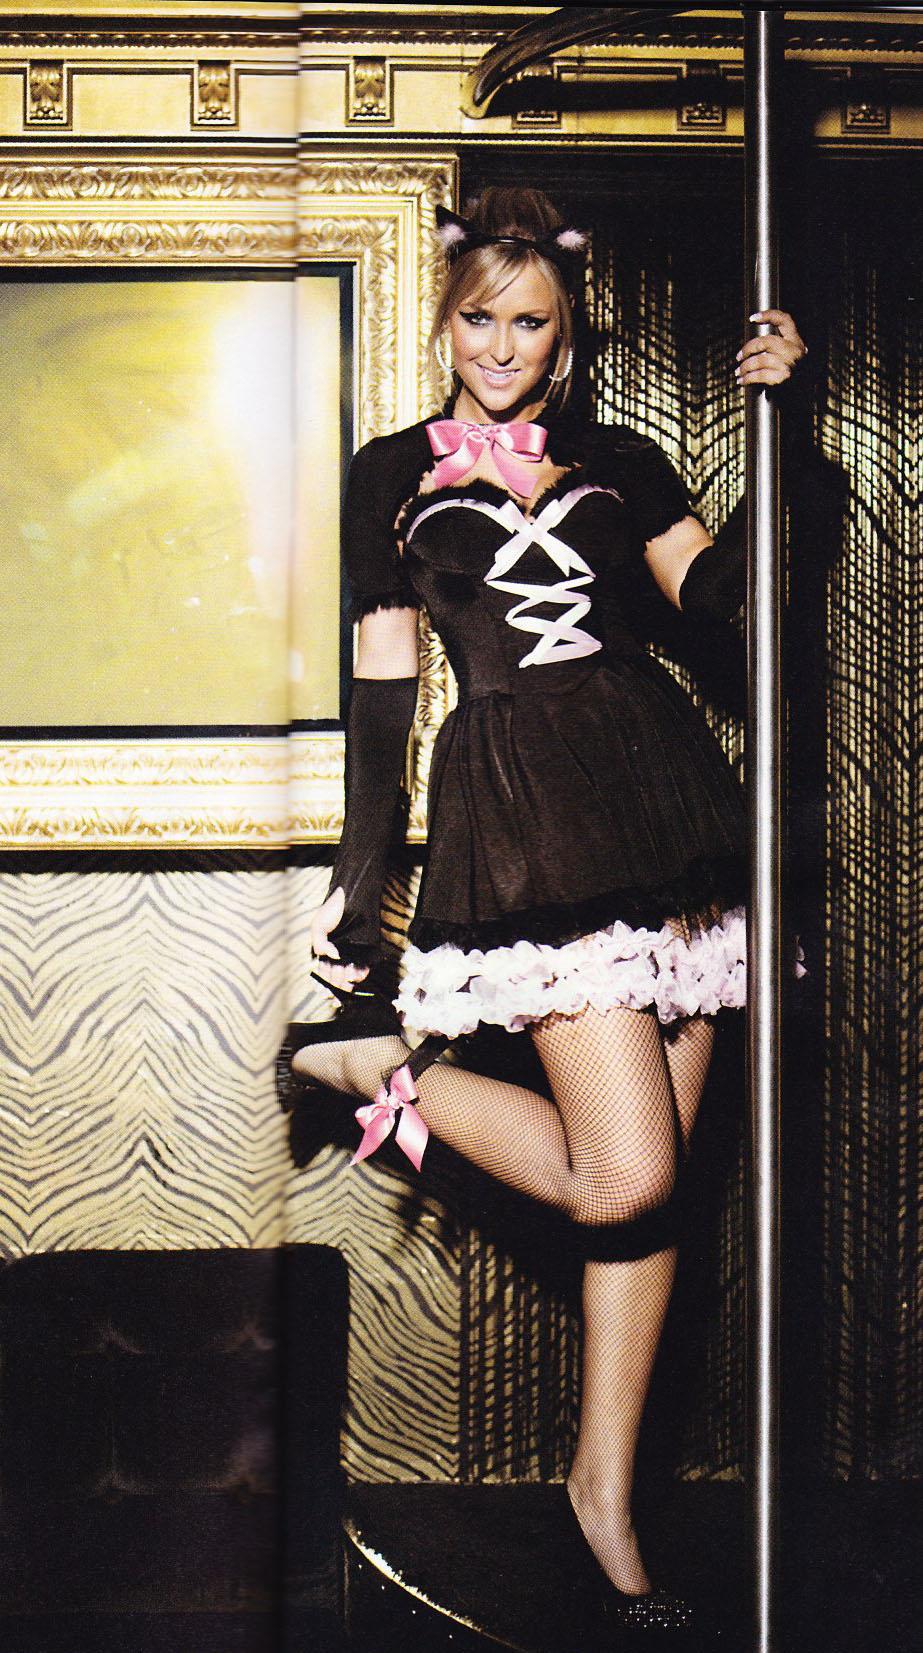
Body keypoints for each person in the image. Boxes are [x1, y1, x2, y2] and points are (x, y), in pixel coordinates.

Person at [284, 187, 806, 1633]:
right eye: (481, 319)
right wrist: (360, 889)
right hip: (526, 822)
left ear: (564, 336)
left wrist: (783, 431)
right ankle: (377, 1066)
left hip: (670, 811)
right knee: (622, 1176)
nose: (503, 346)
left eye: (531, 323)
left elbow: (727, 618)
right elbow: (384, 698)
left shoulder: (620, 457)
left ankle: (602, 1494)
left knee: (656, 1197)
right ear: (446, 322)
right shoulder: (390, 473)